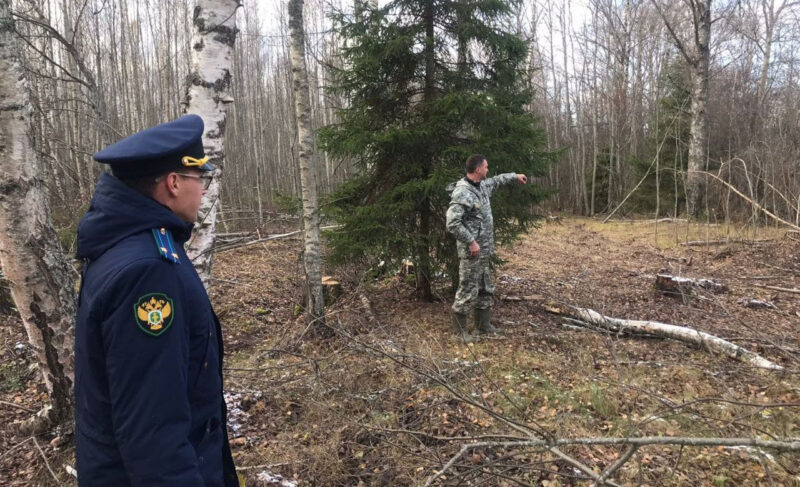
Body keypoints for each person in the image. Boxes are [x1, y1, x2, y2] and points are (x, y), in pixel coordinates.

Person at [74, 115, 238, 486]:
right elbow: (153, 432)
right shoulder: (147, 272)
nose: (205, 191)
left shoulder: (128, 246)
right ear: (174, 183)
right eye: (201, 179)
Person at [446, 154, 528, 342]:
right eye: (486, 167)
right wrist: (471, 242)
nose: (487, 170)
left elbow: (497, 180)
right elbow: (452, 223)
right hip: (471, 252)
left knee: (485, 287)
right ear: (477, 170)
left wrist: (515, 176)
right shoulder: (463, 192)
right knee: (467, 289)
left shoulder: (481, 186)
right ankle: (459, 334)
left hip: (483, 251)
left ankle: (483, 326)